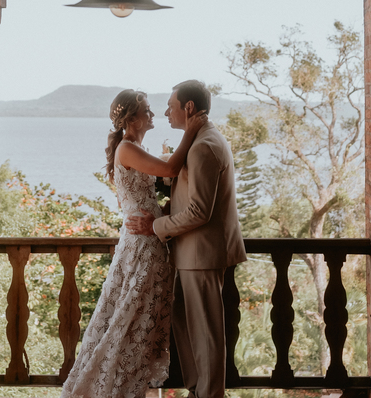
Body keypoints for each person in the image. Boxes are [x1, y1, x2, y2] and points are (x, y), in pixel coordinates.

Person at [60, 89, 204, 398]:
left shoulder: (137, 147)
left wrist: (162, 215)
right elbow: (169, 170)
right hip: (140, 247)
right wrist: (190, 133)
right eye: (147, 111)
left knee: (141, 321)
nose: (153, 116)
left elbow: (152, 195)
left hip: (150, 241)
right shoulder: (126, 148)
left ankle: (129, 388)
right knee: (127, 320)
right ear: (132, 118)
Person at [126, 80, 247, 398]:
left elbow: (199, 212)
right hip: (190, 253)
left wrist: (156, 225)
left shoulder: (205, 146)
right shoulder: (200, 141)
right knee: (185, 325)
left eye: (171, 105)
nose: (166, 112)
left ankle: (208, 394)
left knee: (205, 332)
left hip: (202, 254)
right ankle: (197, 390)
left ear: (189, 108)